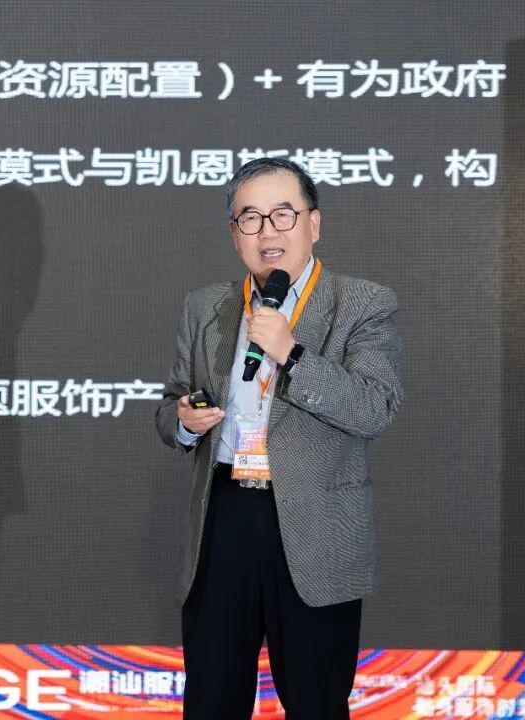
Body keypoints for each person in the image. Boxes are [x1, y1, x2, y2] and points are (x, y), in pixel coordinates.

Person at [154, 157, 404, 719]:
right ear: (234, 232)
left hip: (315, 528)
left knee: (316, 703)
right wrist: (185, 421)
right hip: (223, 521)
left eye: (283, 215)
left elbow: (374, 408)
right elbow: (170, 408)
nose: (268, 231)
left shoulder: (362, 304)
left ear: (313, 223)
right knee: (212, 700)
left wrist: (290, 352)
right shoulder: (207, 307)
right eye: (251, 217)